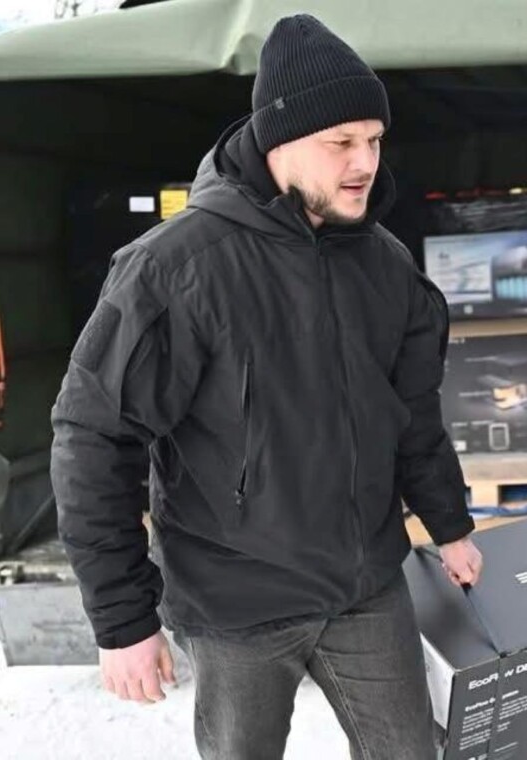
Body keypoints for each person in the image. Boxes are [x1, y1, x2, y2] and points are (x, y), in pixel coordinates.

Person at [51, 14, 481, 759]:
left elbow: (412, 412)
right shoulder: (178, 269)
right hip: (236, 604)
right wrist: (122, 620)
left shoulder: (384, 264)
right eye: (341, 142)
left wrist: (450, 522)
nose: (366, 162)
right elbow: (95, 437)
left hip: (365, 588)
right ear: (280, 142)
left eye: (374, 140)